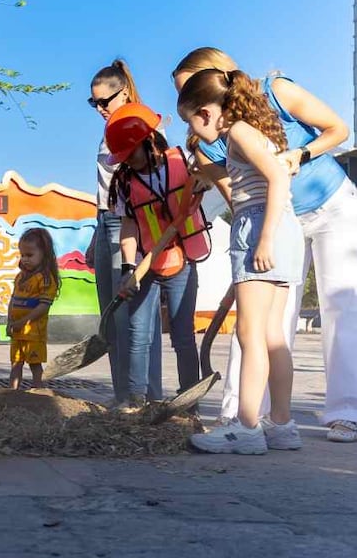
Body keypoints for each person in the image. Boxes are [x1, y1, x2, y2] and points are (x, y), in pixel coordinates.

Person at [173, 47, 357, 443]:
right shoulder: (211, 141)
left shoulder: (275, 92)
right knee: (269, 327)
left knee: (340, 307)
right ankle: (251, 414)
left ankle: (343, 412)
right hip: (275, 222)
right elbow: (237, 198)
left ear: (217, 77)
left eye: (191, 91)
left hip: (327, 208)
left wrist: (299, 154)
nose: (189, 104)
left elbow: (339, 130)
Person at [178, 69, 305, 454]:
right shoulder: (249, 131)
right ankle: (281, 424)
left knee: (249, 334)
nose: (196, 135)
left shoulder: (237, 133)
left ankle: (247, 428)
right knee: (271, 336)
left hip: (261, 225)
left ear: (204, 113)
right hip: (282, 226)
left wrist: (263, 239)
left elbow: (278, 180)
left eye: (191, 124)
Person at [105, 103, 210, 408]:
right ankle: (136, 401)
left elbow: (217, 172)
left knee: (183, 335)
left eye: (131, 155)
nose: (129, 163)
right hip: (146, 264)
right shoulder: (126, 182)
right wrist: (128, 268)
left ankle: (189, 402)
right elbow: (129, 226)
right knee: (138, 333)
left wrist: (206, 177)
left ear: (148, 141)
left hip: (183, 261)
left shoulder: (184, 162)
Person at [85, 60, 164, 405]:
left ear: (126, 93)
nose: (101, 109)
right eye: (94, 103)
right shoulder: (107, 133)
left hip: (131, 225)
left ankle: (148, 395)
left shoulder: (143, 125)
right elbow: (105, 192)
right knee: (112, 317)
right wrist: (94, 234)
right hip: (106, 222)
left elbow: (154, 184)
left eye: (106, 101)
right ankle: (125, 398)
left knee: (136, 317)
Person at [7, 228, 61, 390]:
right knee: (16, 364)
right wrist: (10, 321)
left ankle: (39, 394)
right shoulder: (20, 277)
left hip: (34, 333)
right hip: (17, 331)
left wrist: (24, 321)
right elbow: (13, 299)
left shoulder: (45, 279)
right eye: (22, 255)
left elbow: (43, 306)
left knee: (35, 365)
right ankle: (12, 393)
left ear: (44, 254)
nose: (25, 259)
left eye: (30, 255)